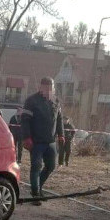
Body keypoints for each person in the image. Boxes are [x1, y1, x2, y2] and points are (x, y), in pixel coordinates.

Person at [20, 77, 64, 206]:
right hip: (36, 141)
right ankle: (35, 195)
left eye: (51, 87)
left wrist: (61, 134)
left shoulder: (55, 101)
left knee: (50, 166)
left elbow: (59, 119)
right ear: (40, 87)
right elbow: (25, 120)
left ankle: (38, 188)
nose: (48, 90)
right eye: (46, 87)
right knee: (36, 167)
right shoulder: (31, 101)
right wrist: (26, 137)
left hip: (50, 142)